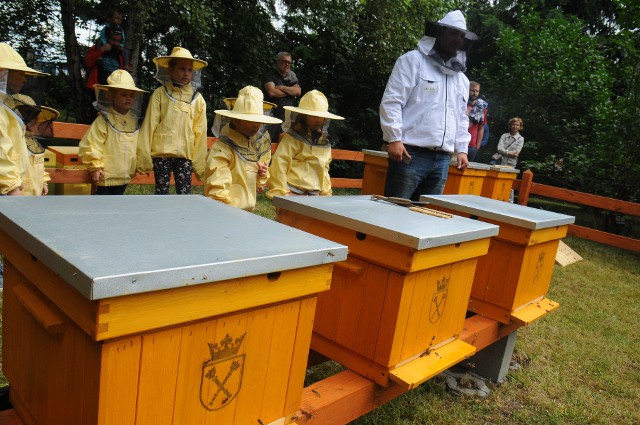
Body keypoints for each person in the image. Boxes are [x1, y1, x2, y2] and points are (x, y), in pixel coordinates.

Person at [379, 10, 478, 200]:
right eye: (453, 33)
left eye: (461, 36)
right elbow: (392, 100)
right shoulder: (412, 61)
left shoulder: (462, 80)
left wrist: (462, 149)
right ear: (439, 33)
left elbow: (460, 117)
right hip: (410, 154)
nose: (458, 39)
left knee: (425, 219)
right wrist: (393, 138)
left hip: (442, 160)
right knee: (392, 214)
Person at [137, 46, 208, 194]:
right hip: (161, 153)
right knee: (161, 193)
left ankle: (182, 217)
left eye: (189, 70)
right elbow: (149, 125)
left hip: (185, 155)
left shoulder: (198, 99)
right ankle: (161, 217)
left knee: (184, 194)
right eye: (182, 69)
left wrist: (200, 165)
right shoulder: (160, 94)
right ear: (170, 69)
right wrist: (144, 157)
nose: (186, 73)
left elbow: (200, 133)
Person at [205, 85, 282, 211]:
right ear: (236, 121)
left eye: (258, 121)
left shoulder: (253, 148)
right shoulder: (222, 149)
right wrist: (224, 211)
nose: (256, 125)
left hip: (246, 212)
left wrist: (261, 175)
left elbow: (254, 184)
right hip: (225, 212)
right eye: (251, 121)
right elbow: (217, 188)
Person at [79, 70, 147, 195]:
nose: (128, 98)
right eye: (124, 94)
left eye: (131, 95)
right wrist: (95, 167)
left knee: (117, 209)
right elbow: (92, 144)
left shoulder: (133, 121)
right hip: (105, 175)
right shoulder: (103, 120)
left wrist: (141, 163)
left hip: (125, 175)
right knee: (103, 210)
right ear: (111, 95)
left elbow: (139, 145)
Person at [266, 89, 344, 199]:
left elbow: (324, 169)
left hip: (315, 194)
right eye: (313, 116)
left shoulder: (324, 142)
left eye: (321, 116)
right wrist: (282, 192)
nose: (318, 120)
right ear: (303, 116)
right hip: (292, 190)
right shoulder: (292, 139)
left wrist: (326, 193)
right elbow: (279, 165)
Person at [0, 42, 48, 197]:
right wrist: (11, 186)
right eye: (20, 74)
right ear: (3, 73)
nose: (25, 80)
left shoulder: (7, 103)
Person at [12, 94, 59, 196]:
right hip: (16, 194)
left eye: (31, 114)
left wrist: (43, 181)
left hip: (35, 192)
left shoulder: (33, 141)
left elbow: (39, 164)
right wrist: (12, 186)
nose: (29, 119)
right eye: (24, 114)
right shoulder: (9, 139)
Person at [84, 26, 127, 120]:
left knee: (110, 118)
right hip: (96, 90)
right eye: (113, 40)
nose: (115, 43)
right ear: (107, 38)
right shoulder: (98, 48)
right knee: (94, 117)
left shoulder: (120, 54)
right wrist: (101, 50)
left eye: (118, 41)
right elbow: (88, 62)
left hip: (112, 92)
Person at [263, 52, 301, 142]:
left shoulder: (292, 77)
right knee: (268, 143)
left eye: (289, 62)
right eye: (284, 61)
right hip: (271, 117)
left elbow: (298, 91)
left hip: (287, 118)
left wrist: (281, 87)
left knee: (283, 144)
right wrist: (290, 91)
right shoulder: (270, 75)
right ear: (278, 62)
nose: (287, 64)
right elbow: (272, 92)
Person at [466, 81, 487, 162]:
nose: (474, 93)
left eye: (477, 91)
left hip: (472, 146)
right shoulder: (460, 104)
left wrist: (477, 146)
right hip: (457, 143)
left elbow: (481, 127)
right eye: (472, 90)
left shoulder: (481, 107)